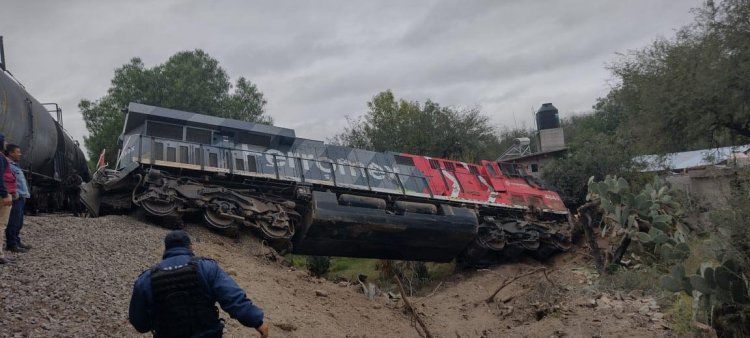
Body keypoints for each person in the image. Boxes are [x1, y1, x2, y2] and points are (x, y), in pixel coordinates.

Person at [129, 230, 269, 338]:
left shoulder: (146, 279)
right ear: (190, 247)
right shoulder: (206, 267)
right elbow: (232, 298)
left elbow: (139, 323)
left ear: (166, 249)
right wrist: (256, 321)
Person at [5, 144, 31, 252]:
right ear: (11, 153)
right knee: (13, 221)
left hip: (21, 197)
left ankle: (17, 241)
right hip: (15, 197)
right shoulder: (8, 165)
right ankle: (12, 244)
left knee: (19, 221)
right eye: (18, 152)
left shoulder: (15, 165)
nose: (20, 154)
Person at [0, 133, 14, 264]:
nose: (6, 144)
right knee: (1, 225)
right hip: (1, 196)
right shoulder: (0, 158)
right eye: (4, 141)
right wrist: (4, 194)